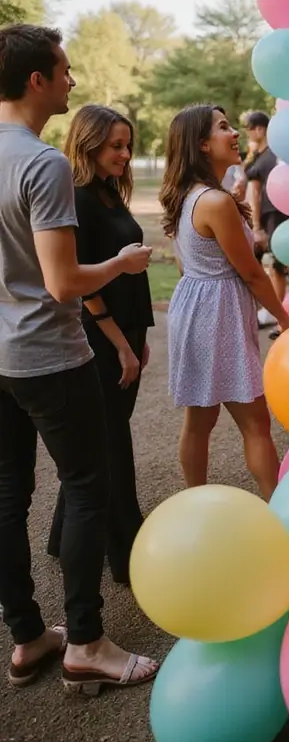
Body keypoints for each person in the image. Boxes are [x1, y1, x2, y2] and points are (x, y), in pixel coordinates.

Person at [0, 24, 158, 693]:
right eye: (64, 70)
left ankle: (28, 637)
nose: (71, 79)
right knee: (88, 488)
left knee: (8, 495)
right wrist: (121, 263)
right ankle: (87, 643)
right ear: (36, 80)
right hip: (48, 355)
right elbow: (64, 282)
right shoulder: (43, 164)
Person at [160, 104, 289, 499]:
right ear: (202, 144)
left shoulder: (187, 196)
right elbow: (251, 273)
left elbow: (186, 264)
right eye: (223, 127)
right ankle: (277, 507)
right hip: (217, 311)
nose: (234, 133)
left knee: (199, 420)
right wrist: (285, 320)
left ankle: (194, 502)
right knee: (255, 423)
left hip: (194, 304)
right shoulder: (215, 203)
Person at [46, 105, 154, 584]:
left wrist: (139, 336)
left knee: (106, 434)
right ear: (89, 145)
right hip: (102, 336)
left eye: (128, 146)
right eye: (116, 146)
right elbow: (84, 286)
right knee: (112, 442)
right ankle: (128, 553)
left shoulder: (110, 192)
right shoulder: (78, 199)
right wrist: (122, 346)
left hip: (128, 330)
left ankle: (60, 535)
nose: (125, 155)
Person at [243, 111, 289, 337]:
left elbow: (256, 194)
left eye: (249, 129)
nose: (248, 134)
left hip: (273, 215)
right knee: (260, 264)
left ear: (259, 129)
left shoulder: (273, 156)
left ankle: (277, 315)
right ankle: (268, 311)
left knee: (276, 265)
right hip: (264, 215)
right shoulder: (259, 156)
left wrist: (257, 226)